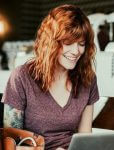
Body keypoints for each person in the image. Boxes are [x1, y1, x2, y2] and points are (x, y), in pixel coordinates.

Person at [2, 4, 99, 150]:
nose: (76, 51)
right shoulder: (22, 77)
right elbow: (9, 143)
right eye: (68, 43)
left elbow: (85, 140)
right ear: (51, 42)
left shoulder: (88, 79)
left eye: (81, 44)